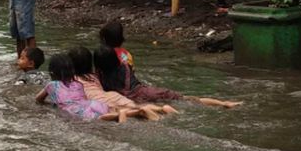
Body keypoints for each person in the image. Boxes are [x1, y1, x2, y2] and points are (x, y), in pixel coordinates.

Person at [93, 46, 241, 108]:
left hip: (125, 101)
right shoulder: (125, 66)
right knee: (186, 99)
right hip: (144, 92)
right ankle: (223, 103)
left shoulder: (99, 75)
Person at [68, 45, 172, 120]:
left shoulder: (70, 81)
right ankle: (161, 109)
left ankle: (143, 112)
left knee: (126, 112)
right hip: (114, 96)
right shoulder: (95, 76)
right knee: (135, 106)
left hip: (99, 101)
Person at [37, 54, 141, 122]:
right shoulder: (78, 84)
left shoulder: (51, 85)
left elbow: (38, 99)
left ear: (51, 72)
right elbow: (83, 99)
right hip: (93, 104)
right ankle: (130, 112)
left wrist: (51, 105)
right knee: (108, 113)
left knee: (100, 119)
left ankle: (121, 114)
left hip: (75, 110)